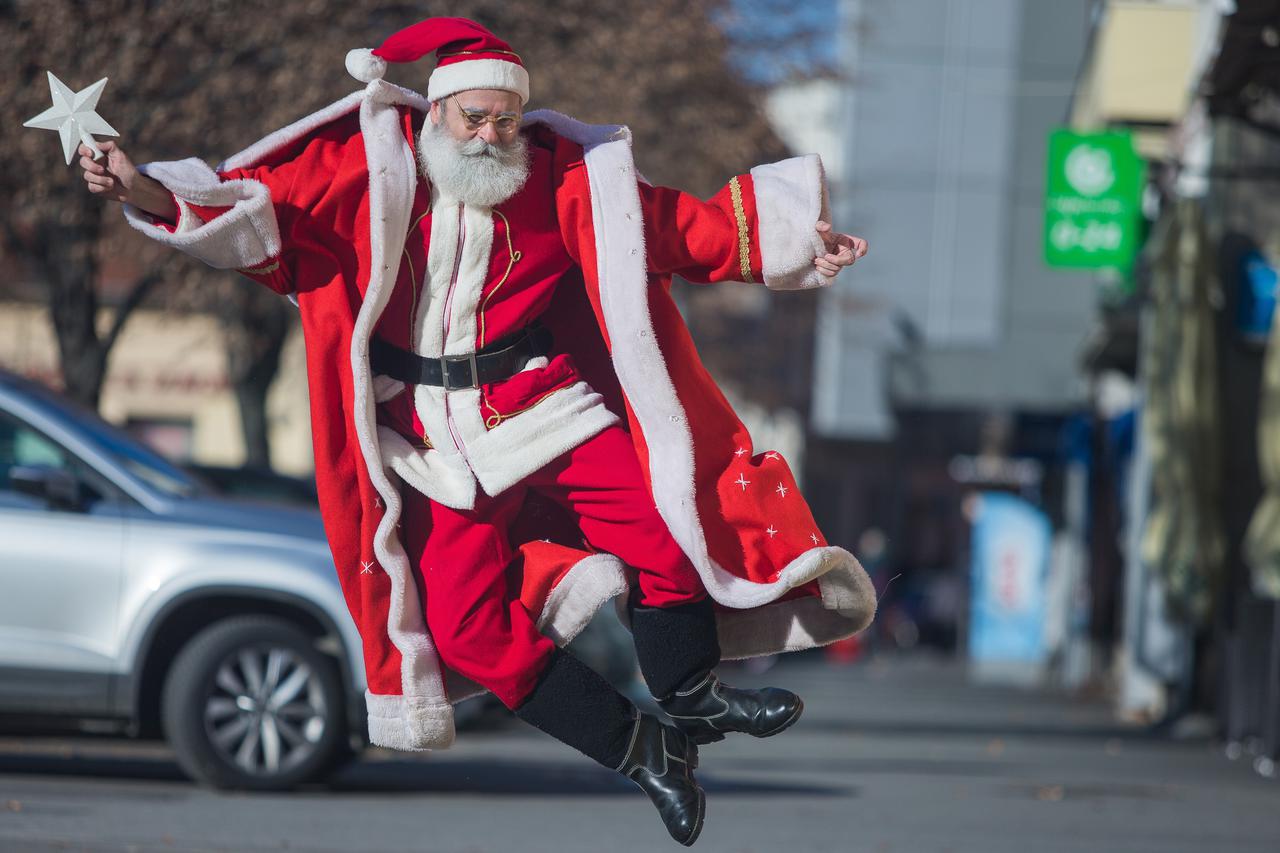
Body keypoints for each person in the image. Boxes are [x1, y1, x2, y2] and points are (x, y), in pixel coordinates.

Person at [78, 17, 876, 846]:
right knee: (467, 631)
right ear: (438, 113)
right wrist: (140, 189)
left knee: (664, 527)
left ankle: (690, 693)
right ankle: (646, 751)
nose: (492, 136)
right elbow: (252, 212)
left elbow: (679, 226)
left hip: (542, 406)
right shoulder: (370, 168)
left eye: (504, 119)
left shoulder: (566, 177)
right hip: (425, 442)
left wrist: (797, 242)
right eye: (475, 119)